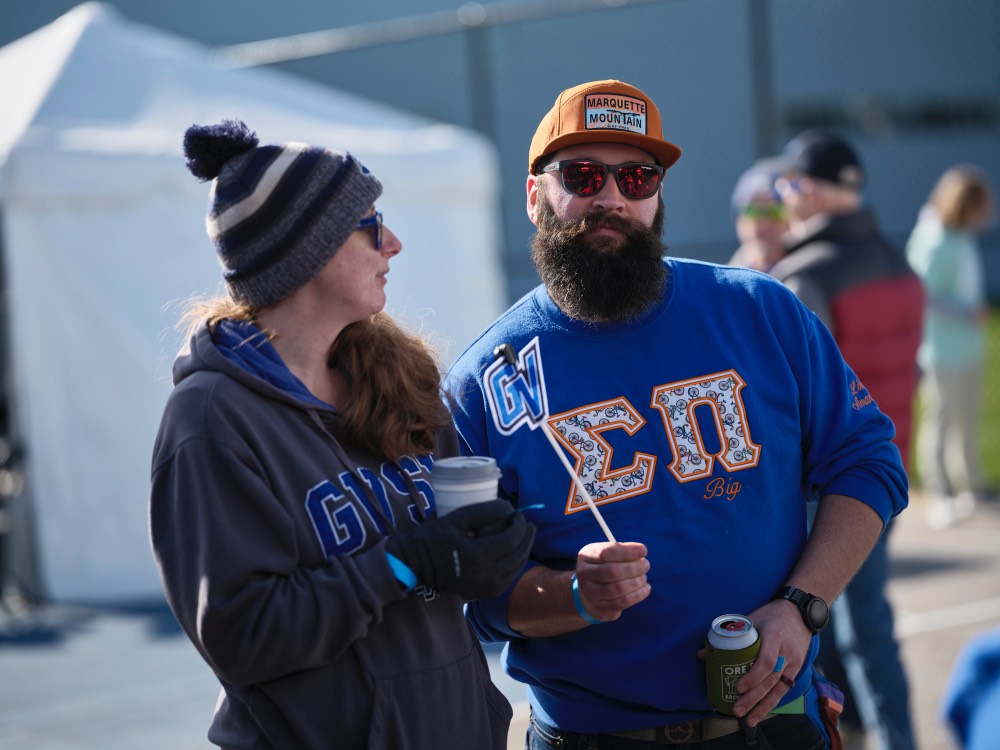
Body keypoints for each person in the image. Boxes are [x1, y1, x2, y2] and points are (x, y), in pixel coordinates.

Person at [447, 79, 909, 750]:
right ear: (533, 195)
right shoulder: (484, 382)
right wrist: (574, 595)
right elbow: (471, 597)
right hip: (592, 739)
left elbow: (868, 462)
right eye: (582, 175)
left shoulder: (761, 311)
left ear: (657, 195)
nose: (611, 198)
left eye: (637, 178)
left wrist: (802, 607)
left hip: (773, 722)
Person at [149, 120, 535, 750]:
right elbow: (244, 637)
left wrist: (485, 549)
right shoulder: (212, 418)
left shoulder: (399, 378)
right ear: (309, 251)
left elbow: (446, 563)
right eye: (371, 225)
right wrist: (403, 563)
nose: (394, 244)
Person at [768, 130, 922, 750]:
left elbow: (792, 402)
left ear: (806, 189)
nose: (781, 197)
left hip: (830, 485)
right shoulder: (898, 259)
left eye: (785, 185)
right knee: (867, 626)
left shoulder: (803, 276)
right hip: (891, 466)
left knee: (830, 629)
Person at [906, 165, 997, 530]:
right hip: (940, 349)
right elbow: (922, 294)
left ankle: (971, 485)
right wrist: (965, 313)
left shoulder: (962, 236)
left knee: (966, 419)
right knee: (939, 421)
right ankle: (938, 491)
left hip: (968, 347)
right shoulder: (932, 238)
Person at [728, 159, 789, 272]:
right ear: (738, 219)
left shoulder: (810, 273)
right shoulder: (719, 280)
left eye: (774, 212)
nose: (765, 223)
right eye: (754, 211)